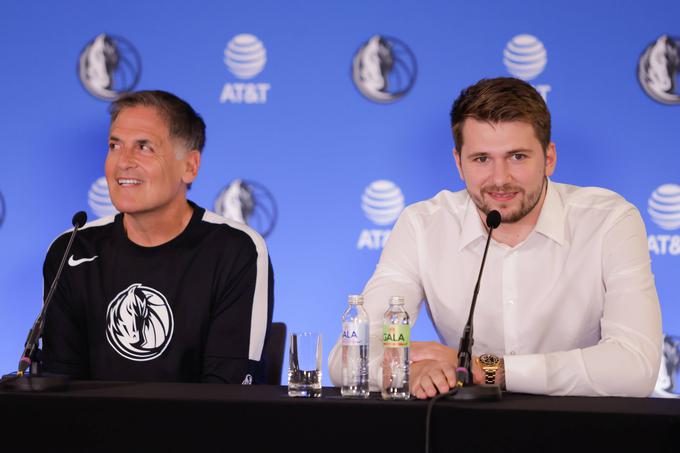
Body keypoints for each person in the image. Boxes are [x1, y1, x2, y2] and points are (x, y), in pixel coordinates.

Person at [328, 77, 662, 398]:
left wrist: (486, 370)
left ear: (549, 158)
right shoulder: (423, 225)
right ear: (459, 164)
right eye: (482, 159)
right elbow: (344, 361)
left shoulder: (609, 221)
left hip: (583, 431)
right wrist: (404, 370)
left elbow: (636, 367)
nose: (500, 179)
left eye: (517, 157)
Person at [42, 90, 274, 384]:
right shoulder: (72, 249)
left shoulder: (236, 250)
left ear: (189, 166)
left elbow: (227, 397)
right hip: (93, 430)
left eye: (144, 147)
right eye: (114, 145)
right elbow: (59, 390)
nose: (123, 161)